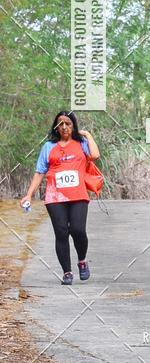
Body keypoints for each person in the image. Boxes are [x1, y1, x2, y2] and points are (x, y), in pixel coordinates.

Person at [21, 111, 100, 285]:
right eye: (60, 123)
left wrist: (87, 134)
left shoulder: (81, 143)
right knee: (61, 232)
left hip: (78, 194)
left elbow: (94, 155)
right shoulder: (48, 147)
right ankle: (67, 272)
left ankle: (81, 260)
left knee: (78, 230)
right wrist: (29, 194)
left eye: (68, 123)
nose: (64, 127)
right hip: (54, 196)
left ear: (73, 126)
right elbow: (40, 172)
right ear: (56, 127)